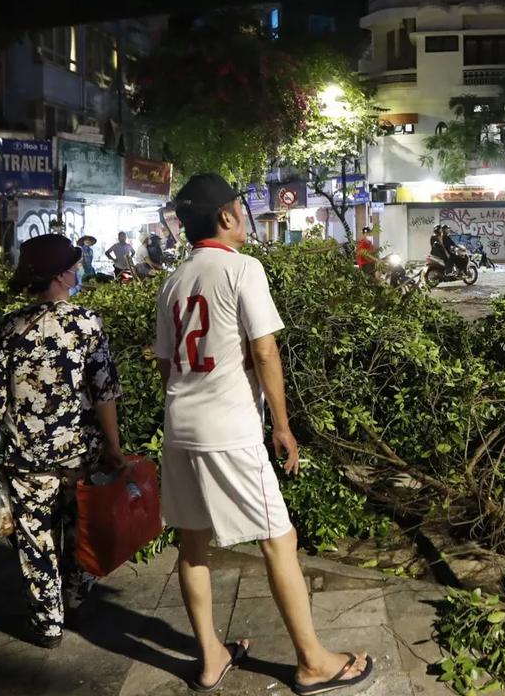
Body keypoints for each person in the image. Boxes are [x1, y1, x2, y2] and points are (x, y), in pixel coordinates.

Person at [153, 173, 374, 694]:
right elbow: (266, 350)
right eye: (240, 207)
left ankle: (210, 657)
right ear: (226, 217)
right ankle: (314, 662)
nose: (246, 216)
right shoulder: (242, 269)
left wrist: (192, 397)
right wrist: (282, 424)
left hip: (179, 424)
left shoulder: (173, 281)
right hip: (229, 428)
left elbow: (166, 365)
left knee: (192, 543)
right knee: (279, 538)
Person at [0, 234, 128, 649]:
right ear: (62, 276)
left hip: (25, 457)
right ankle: (75, 596)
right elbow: (105, 393)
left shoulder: (8, 328)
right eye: (74, 266)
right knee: (81, 525)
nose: (78, 271)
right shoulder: (86, 323)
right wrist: (113, 446)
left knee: (34, 538)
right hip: (78, 453)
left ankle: (48, 623)